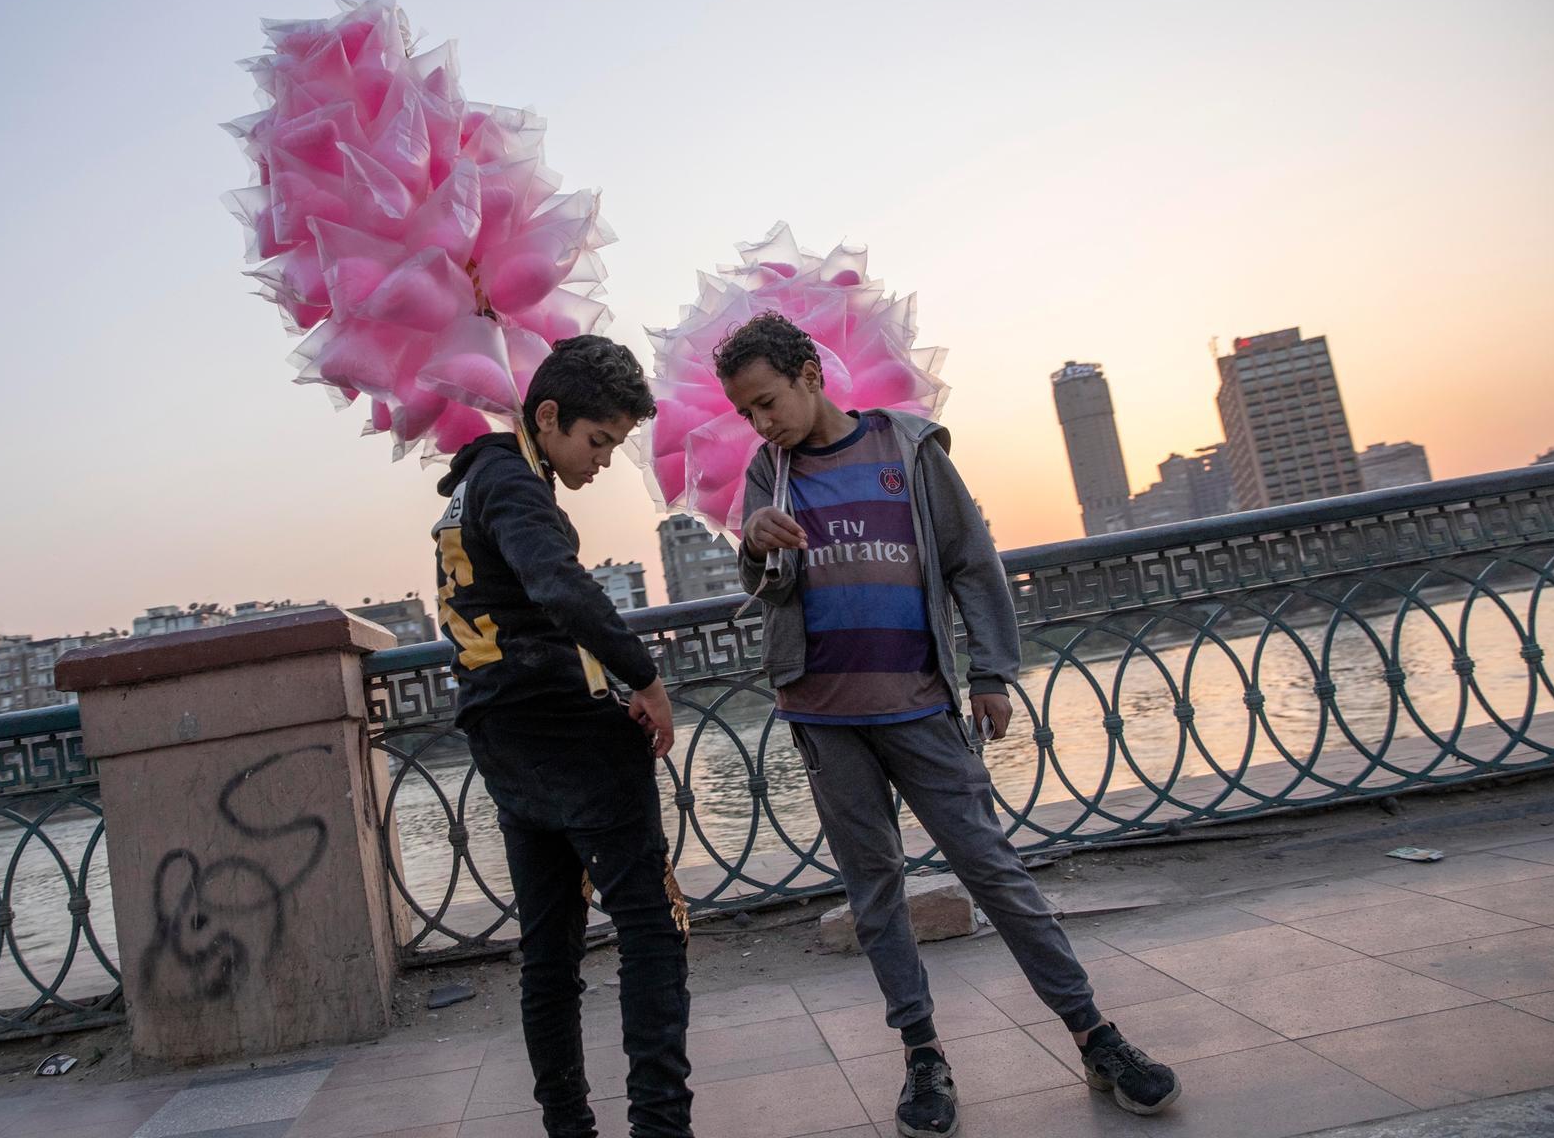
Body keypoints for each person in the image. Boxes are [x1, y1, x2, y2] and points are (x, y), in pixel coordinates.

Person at [717, 312, 1179, 1136]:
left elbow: (973, 561)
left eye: (768, 400)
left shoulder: (909, 449)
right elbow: (768, 582)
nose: (761, 421)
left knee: (994, 872)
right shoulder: (768, 475)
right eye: (747, 411)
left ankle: (1095, 1035)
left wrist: (993, 671)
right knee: (875, 890)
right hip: (822, 716)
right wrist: (754, 541)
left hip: (923, 706)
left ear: (810, 375)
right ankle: (922, 1055)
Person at [432, 334, 693, 1138]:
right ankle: (661, 1127)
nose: (605, 461)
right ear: (547, 415)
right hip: (569, 738)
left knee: (550, 955)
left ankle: (569, 1129)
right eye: (598, 441)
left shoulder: (473, 482)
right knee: (653, 928)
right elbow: (557, 583)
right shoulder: (511, 482)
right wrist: (645, 678)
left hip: (504, 746)